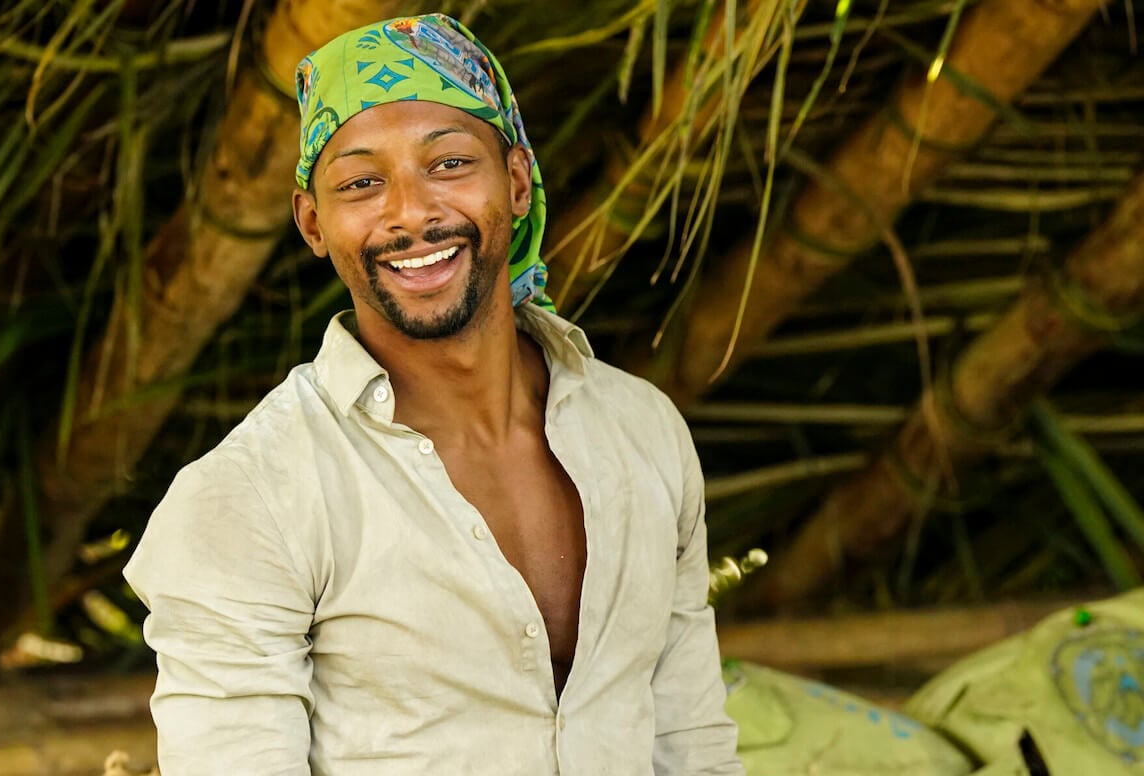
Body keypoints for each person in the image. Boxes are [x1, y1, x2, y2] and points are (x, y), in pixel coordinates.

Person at [124, 13, 743, 775]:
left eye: (449, 164)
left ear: (516, 182)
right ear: (313, 223)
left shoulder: (641, 433)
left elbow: (690, 746)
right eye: (361, 183)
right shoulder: (251, 497)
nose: (411, 212)